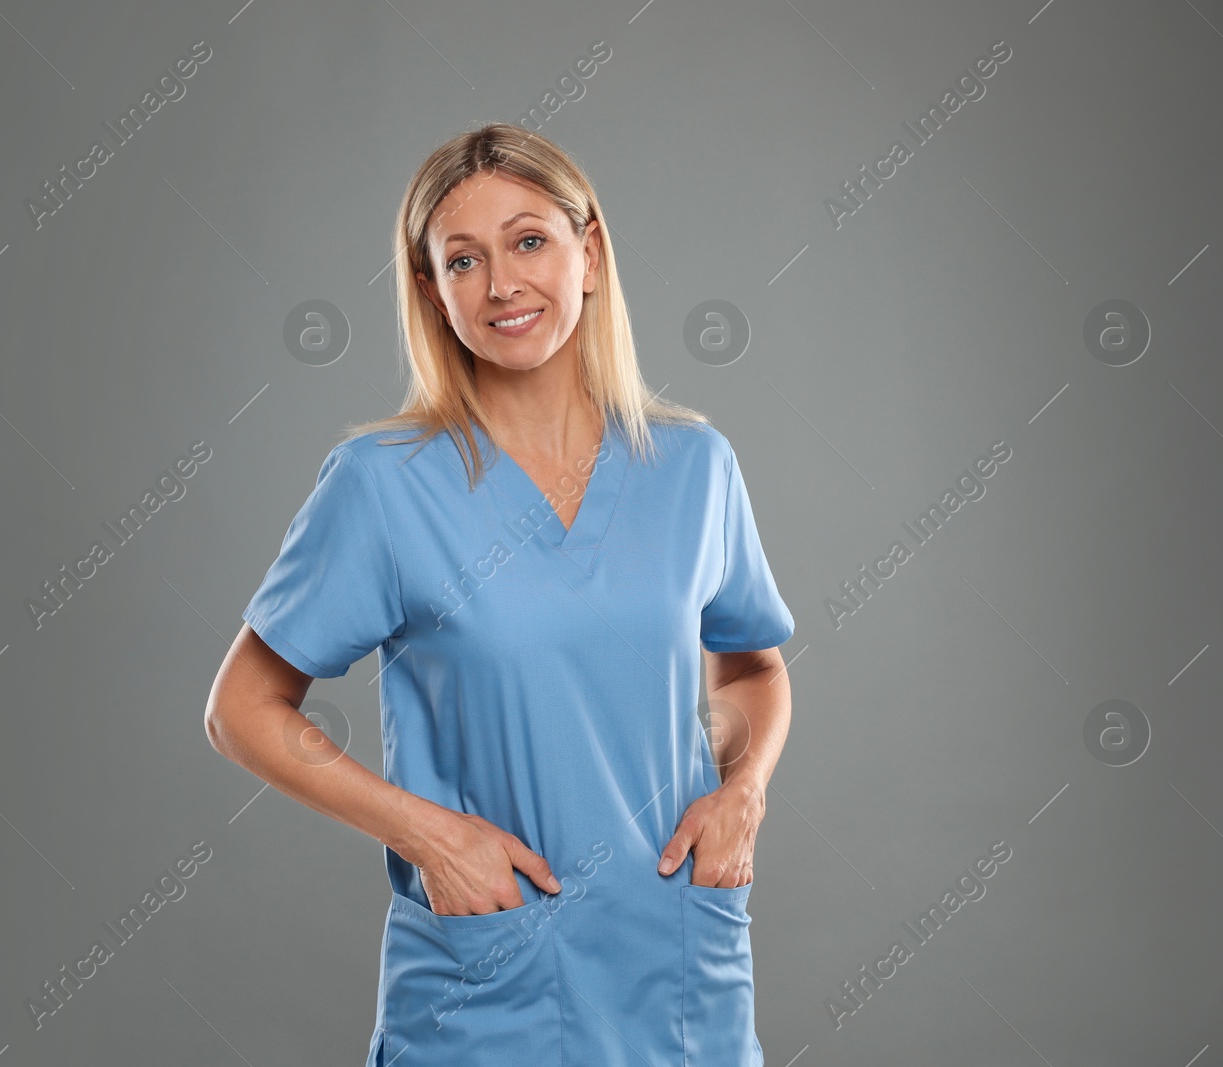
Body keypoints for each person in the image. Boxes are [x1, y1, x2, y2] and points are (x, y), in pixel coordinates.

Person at [204, 121, 794, 1066]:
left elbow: (753, 669)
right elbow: (241, 709)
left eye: (529, 240)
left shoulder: (695, 468)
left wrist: (746, 791)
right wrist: (428, 834)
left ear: (589, 252)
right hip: (489, 977)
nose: (502, 284)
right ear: (433, 292)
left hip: (679, 973)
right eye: (463, 259)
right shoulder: (383, 484)